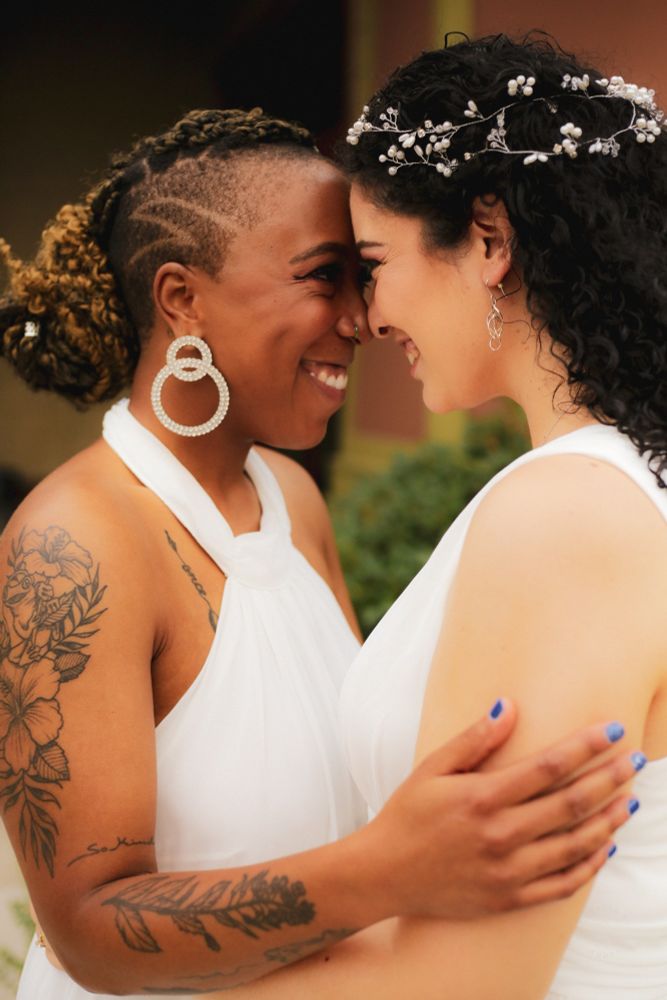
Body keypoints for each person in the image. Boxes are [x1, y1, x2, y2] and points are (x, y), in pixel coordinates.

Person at [0, 106, 638, 1000]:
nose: (361, 318)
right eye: (324, 277)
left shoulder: (290, 503)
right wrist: (388, 868)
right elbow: (89, 929)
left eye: (366, 276)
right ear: (182, 299)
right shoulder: (72, 542)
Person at [192, 34, 666, 1000]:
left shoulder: (565, 516)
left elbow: (462, 979)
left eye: (372, 264)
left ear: (488, 241)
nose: (362, 317)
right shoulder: (606, 484)